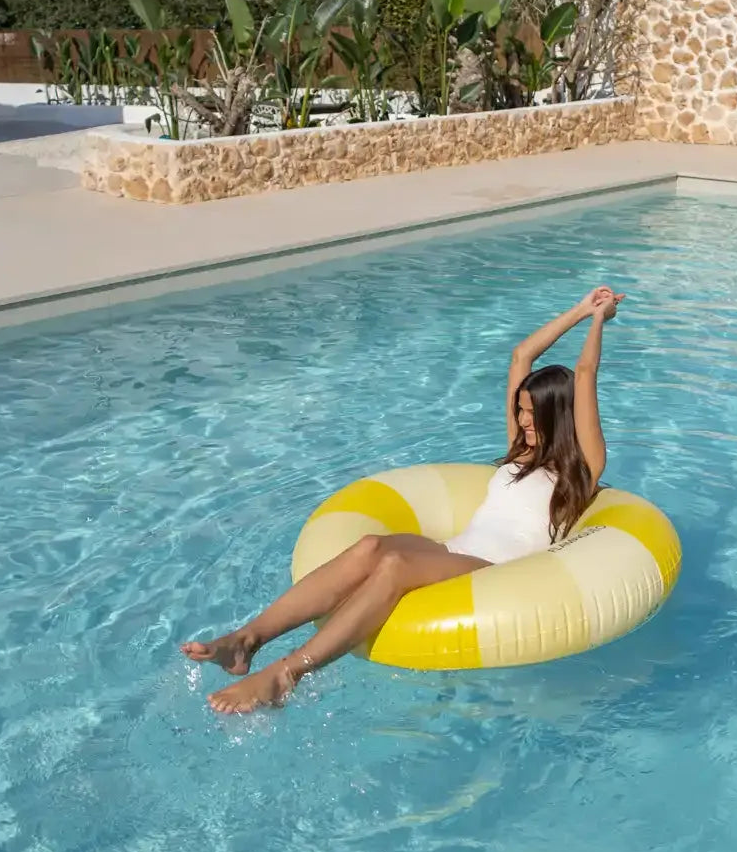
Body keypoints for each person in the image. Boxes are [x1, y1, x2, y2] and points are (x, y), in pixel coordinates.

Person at [182, 285, 624, 713]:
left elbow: (584, 373)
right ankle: (248, 640)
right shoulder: (520, 451)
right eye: (521, 410)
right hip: (453, 551)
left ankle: (286, 675)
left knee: (395, 566)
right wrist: (580, 308)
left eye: (530, 413)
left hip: (495, 572)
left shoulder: (582, 469)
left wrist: (599, 321)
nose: (521, 419)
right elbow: (521, 356)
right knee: (371, 546)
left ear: (556, 414)